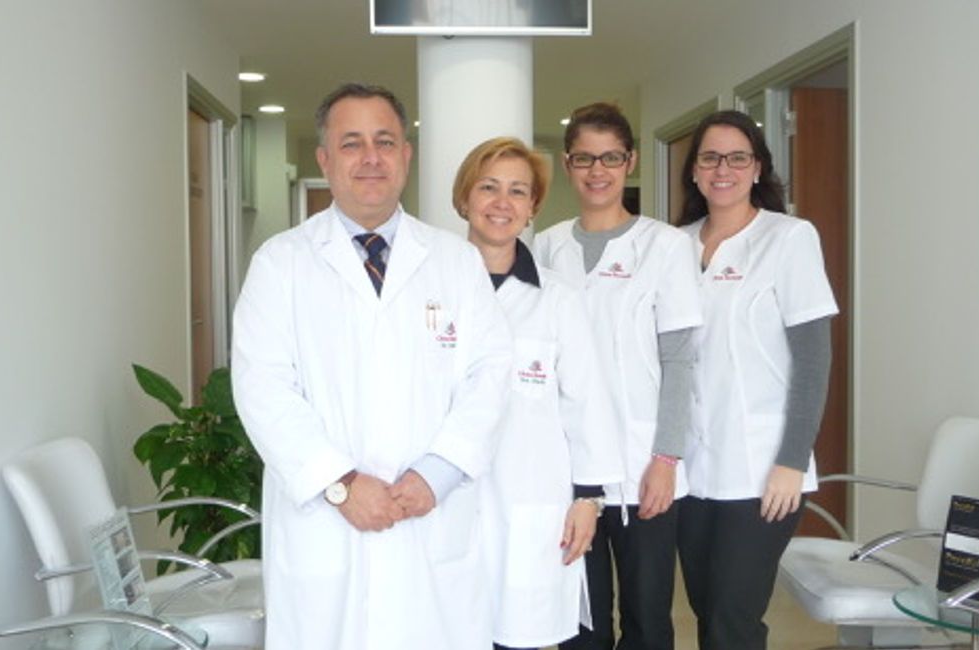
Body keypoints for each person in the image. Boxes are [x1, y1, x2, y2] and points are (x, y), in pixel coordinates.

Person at [230, 83, 513, 650]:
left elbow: (491, 373)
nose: (371, 158)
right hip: (326, 528)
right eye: (351, 143)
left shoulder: (455, 261)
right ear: (324, 158)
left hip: (430, 519)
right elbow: (262, 388)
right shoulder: (280, 263)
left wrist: (437, 472)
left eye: (385, 142)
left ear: (406, 155)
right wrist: (340, 484)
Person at [535, 103, 703, 650]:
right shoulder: (546, 246)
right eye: (584, 158)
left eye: (610, 157)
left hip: (641, 464)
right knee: (580, 621)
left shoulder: (665, 246)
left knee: (647, 618)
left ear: (629, 162)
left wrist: (666, 459)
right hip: (569, 467)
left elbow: (679, 359)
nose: (597, 171)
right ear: (568, 164)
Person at [673, 110, 837, 650]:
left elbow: (812, 361)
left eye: (737, 157)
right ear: (694, 170)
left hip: (762, 468)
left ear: (758, 167)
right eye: (710, 158)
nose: (723, 169)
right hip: (690, 467)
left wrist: (792, 460)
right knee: (705, 609)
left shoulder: (788, 239)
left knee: (733, 619)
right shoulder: (673, 245)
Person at [453, 136, 625, 650]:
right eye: (488, 187)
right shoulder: (431, 289)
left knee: (519, 630)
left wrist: (588, 499)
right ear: (464, 198)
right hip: (445, 499)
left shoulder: (558, 301)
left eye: (517, 191)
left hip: (530, 496)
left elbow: (587, 403)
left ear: (532, 208)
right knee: (449, 626)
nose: (502, 203)